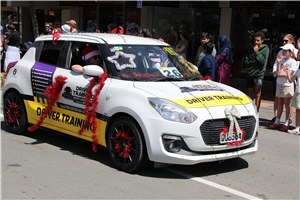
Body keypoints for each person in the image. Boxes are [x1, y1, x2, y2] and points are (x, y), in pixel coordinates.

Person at [270, 34, 298, 124]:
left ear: (290, 51)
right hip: (280, 83)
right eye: (283, 49)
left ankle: (286, 121)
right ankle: (277, 121)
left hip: (288, 85)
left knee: (287, 104)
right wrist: (278, 64)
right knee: (279, 102)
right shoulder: (281, 58)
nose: (283, 51)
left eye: (286, 50)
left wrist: (282, 73)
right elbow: (277, 72)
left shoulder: (293, 61)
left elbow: (289, 74)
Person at [244, 31, 269, 111]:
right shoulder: (251, 49)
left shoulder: (265, 49)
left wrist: (257, 52)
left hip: (258, 74)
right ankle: (251, 109)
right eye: (255, 40)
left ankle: (256, 110)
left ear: (262, 40)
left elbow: (262, 61)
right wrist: (253, 61)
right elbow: (246, 61)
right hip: (250, 74)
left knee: (257, 94)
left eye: (258, 40)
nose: (256, 42)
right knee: (250, 93)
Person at [282, 63, 300, 134]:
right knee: (298, 111)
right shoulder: (298, 71)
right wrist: (287, 72)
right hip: (298, 93)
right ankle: (297, 128)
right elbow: (290, 80)